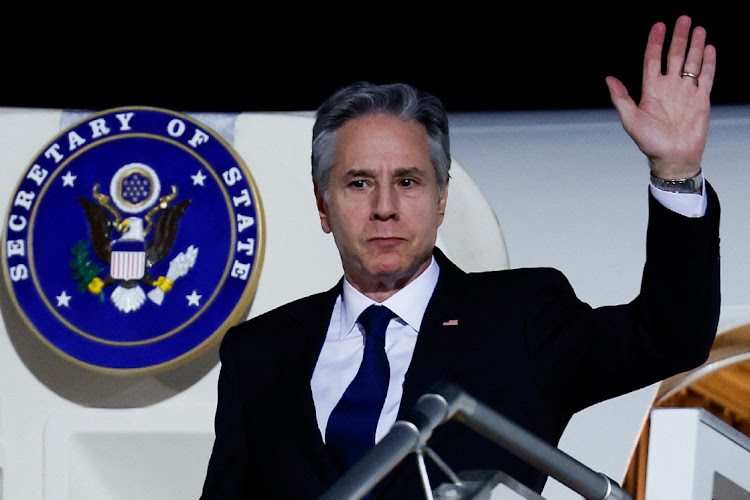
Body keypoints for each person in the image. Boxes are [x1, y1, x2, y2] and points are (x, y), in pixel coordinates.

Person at [200, 14, 720, 498]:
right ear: (323, 205)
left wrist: (676, 172)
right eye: (359, 184)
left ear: (441, 199)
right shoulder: (259, 353)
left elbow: (668, 335)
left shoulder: (520, 319)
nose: (385, 208)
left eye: (408, 181)